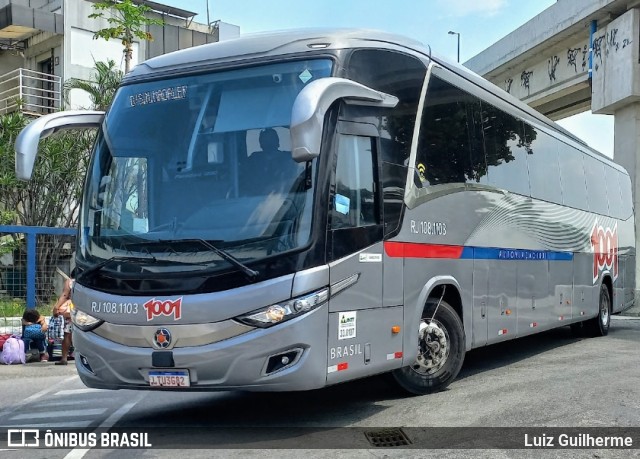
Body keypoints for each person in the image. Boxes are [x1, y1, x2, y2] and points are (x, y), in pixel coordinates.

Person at [245, 128, 297, 194]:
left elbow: (295, 179)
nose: (268, 142)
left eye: (271, 139)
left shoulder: (289, 158)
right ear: (260, 143)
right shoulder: (254, 160)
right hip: (257, 199)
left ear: (277, 141)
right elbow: (248, 183)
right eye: (265, 140)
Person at [52, 277, 74, 365]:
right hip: (85, 310)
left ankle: (64, 358)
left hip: (71, 310)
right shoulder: (89, 280)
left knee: (67, 334)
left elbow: (65, 295)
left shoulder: (70, 282)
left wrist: (56, 307)